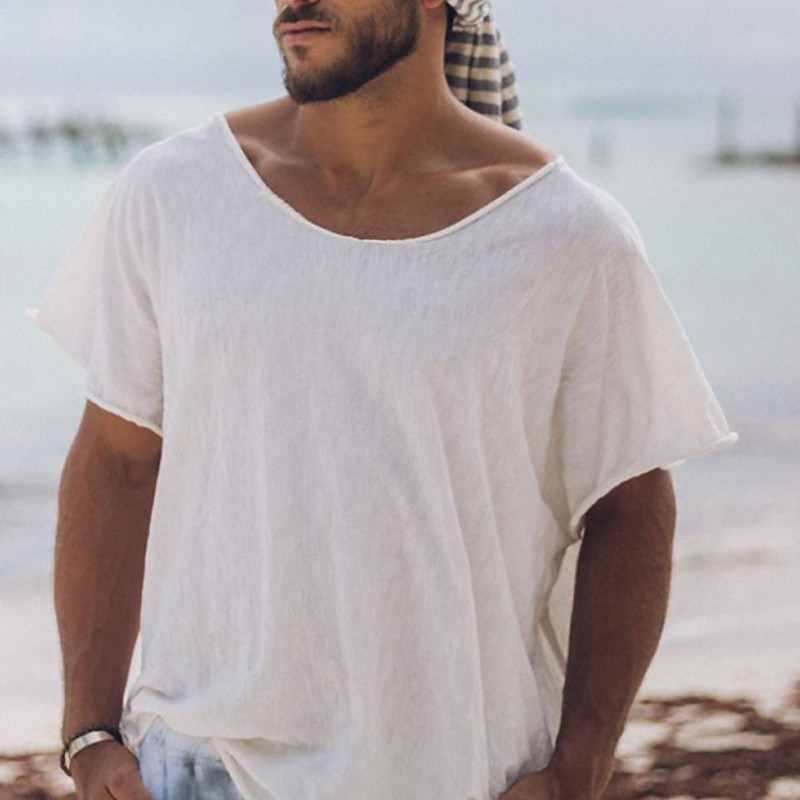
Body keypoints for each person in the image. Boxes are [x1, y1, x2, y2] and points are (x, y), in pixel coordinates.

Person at [25, 0, 739, 798]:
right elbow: (118, 463)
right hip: (195, 767)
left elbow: (630, 509)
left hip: (456, 769)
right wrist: (88, 733)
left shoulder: (567, 236)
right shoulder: (174, 191)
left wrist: (580, 766)